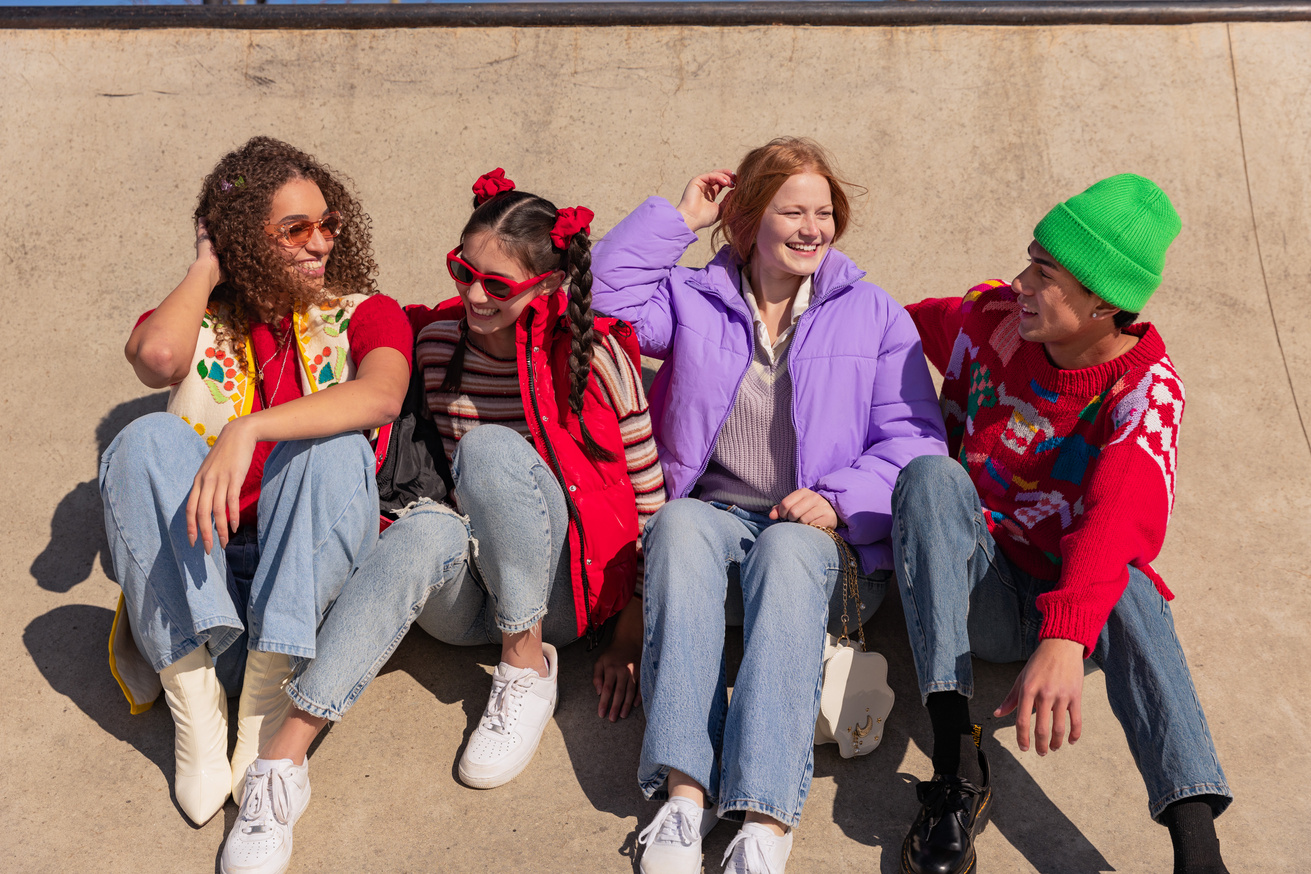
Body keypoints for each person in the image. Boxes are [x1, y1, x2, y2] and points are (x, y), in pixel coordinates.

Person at [217, 170, 665, 874]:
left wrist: (630, 632)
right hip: (466, 597)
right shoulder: (435, 348)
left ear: (547, 285)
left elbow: (648, 496)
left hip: (558, 594)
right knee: (425, 527)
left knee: (488, 449)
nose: (475, 295)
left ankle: (525, 667)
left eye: (497, 285)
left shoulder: (596, 356)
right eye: (463, 271)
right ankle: (282, 765)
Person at [590, 137, 948, 874]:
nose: (812, 229)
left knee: (786, 548)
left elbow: (916, 441)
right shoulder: (692, 298)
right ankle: (684, 796)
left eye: (824, 213)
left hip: (825, 548)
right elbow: (602, 300)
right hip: (714, 534)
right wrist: (678, 219)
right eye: (793, 212)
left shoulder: (874, 314)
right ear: (748, 218)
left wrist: (839, 500)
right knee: (678, 523)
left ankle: (764, 816)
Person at [892, 174, 1231, 874]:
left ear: (1104, 302)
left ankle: (1198, 851)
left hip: (1071, 609)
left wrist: (1065, 635)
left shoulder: (1147, 392)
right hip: (973, 587)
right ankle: (955, 771)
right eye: (1030, 261)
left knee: (1130, 581)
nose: (1020, 283)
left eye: (1044, 275)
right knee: (929, 477)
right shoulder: (992, 318)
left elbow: (1116, 519)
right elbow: (878, 326)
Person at [98, 136, 412, 827]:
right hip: (202, 592)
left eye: (327, 223)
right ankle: (197, 710)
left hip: (304, 596)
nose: (320, 242)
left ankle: (267, 704)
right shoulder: (201, 319)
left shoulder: (365, 312)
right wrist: (208, 265)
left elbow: (382, 396)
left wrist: (249, 429)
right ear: (245, 235)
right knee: (142, 441)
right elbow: (157, 357)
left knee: (333, 450)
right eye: (295, 229)